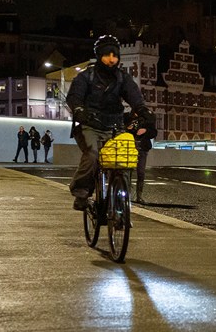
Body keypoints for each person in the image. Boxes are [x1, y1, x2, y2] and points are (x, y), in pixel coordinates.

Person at [66, 34, 153, 211]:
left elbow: (135, 97)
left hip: (115, 126)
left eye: (115, 55)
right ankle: (81, 191)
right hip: (89, 125)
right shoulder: (86, 77)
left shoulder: (123, 78)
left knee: (125, 157)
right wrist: (79, 110)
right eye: (107, 55)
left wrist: (143, 110)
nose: (112, 59)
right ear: (99, 55)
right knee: (93, 154)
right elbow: (74, 97)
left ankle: (122, 201)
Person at [125, 109, 156, 203]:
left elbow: (154, 132)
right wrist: (127, 129)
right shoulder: (126, 117)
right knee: (127, 172)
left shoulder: (147, 118)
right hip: (129, 147)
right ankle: (127, 195)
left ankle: (139, 196)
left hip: (142, 148)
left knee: (141, 172)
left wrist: (145, 130)